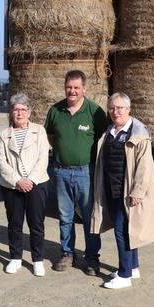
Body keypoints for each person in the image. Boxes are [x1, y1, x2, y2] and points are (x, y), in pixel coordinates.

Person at [91, 92, 154, 289]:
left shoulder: (138, 134)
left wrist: (137, 191)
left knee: (122, 231)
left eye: (120, 108)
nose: (115, 112)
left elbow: (144, 166)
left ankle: (124, 275)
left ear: (129, 110)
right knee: (128, 229)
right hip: (112, 188)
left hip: (128, 191)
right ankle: (133, 267)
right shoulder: (110, 131)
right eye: (112, 108)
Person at [44, 70, 108, 275]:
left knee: (90, 217)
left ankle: (92, 258)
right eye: (69, 87)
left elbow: (103, 139)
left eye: (76, 87)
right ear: (64, 87)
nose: (72, 91)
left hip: (86, 173)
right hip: (61, 171)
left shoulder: (94, 112)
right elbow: (51, 136)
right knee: (65, 216)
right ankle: (67, 254)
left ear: (84, 89)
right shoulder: (55, 110)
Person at [0, 93, 51, 276]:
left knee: (36, 224)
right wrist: (17, 180)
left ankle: (37, 260)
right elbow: (1, 161)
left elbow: (43, 158)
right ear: (11, 112)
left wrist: (31, 180)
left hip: (37, 184)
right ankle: (15, 258)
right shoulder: (4, 135)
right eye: (16, 109)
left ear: (29, 111)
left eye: (23, 109)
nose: (20, 113)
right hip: (13, 186)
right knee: (14, 223)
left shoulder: (39, 131)